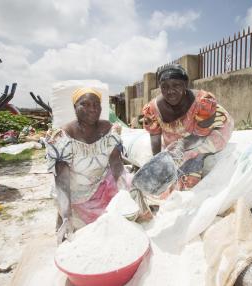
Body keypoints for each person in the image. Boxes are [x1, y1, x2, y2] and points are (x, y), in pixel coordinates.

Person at [45, 87, 126, 243]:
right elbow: (62, 179)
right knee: (86, 234)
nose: (92, 109)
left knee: (122, 213)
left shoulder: (108, 129)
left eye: (96, 104)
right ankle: (64, 216)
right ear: (75, 107)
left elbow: (116, 163)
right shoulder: (62, 136)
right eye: (85, 104)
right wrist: (66, 214)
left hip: (102, 185)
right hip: (75, 193)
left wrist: (124, 191)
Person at [142, 64, 234, 197]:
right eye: (165, 87)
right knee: (171, 157)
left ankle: (188, 181)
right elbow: (155, 135)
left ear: (185, 85)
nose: (170, 91)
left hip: (209, 131)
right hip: (181, 135)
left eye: (176, 85)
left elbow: (200, 135)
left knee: (190, 157)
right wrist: (157, 161)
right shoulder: (152, 109)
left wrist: (181, 148)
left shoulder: (203, 103)